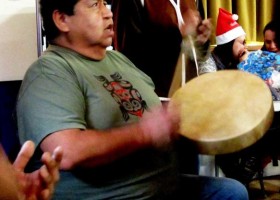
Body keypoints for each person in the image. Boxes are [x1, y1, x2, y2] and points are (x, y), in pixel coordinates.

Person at [16, 0, 249, 199]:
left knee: (231, 191)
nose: (107, 11)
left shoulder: (119, 61)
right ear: (61, 19)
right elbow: (66, 151)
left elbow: (163, 106)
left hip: (164, 185)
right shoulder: (49, 71)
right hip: (121, 194)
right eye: (94, 5)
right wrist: (145, 132)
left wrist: (194, 46)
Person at [110, 0, 212, 97]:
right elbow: (126, 60)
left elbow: (198, 56)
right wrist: (177, 35)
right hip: (152, 103)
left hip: (189, 99)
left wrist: (200, 40)